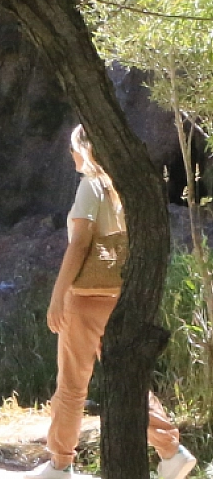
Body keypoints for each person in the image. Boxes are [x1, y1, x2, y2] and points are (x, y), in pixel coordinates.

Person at [28, 125, 196, 479]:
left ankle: (60, 464)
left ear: (84, 150)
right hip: (120, 298)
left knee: (72, 385)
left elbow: (79, 244)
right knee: (127, 379)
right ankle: (172, 450)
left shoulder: (91, 184)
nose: (71, 156)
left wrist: (59, 295)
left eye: (73, 148)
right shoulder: (126, 189)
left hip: (85, 300)